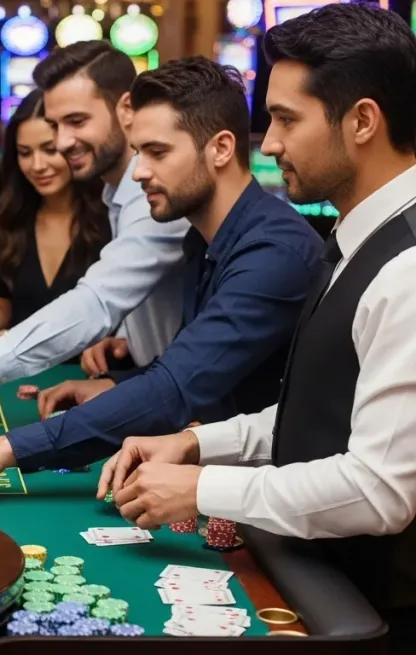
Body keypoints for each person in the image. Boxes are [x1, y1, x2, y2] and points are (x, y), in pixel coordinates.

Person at [99, 5, 416, 645]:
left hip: (379, 616)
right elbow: (320, 414)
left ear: (362, 121)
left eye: (286, 120)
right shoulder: (359, 236)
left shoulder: (407, 267)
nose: (268, 143)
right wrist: (198, 443)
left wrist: (203, 487)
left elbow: (380, 489)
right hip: (325, 581)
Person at [0, 56, 323, 499]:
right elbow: (211, 370)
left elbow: (175, 389)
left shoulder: (271, 252)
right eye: (138, 152)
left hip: (276, 496)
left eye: (157, 152)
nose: (139, 171)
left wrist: (3, 450)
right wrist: (115, 384)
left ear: (221, 149)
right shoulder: (201, 239)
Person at [0, 41, 189, 438]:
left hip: (198, 418)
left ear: (127, 109)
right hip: (157, 397)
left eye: (77, 121)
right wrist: (126, 337)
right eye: (56, 125)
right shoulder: (117, 194)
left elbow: (96, 303)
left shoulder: (157, 193)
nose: (63, 142)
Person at [0, 89, 110, 351]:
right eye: (25, 153)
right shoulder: (11, 216)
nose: (37, 165)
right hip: (23, 369)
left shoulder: (110, 216)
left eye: (50, 150)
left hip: (91, 371)